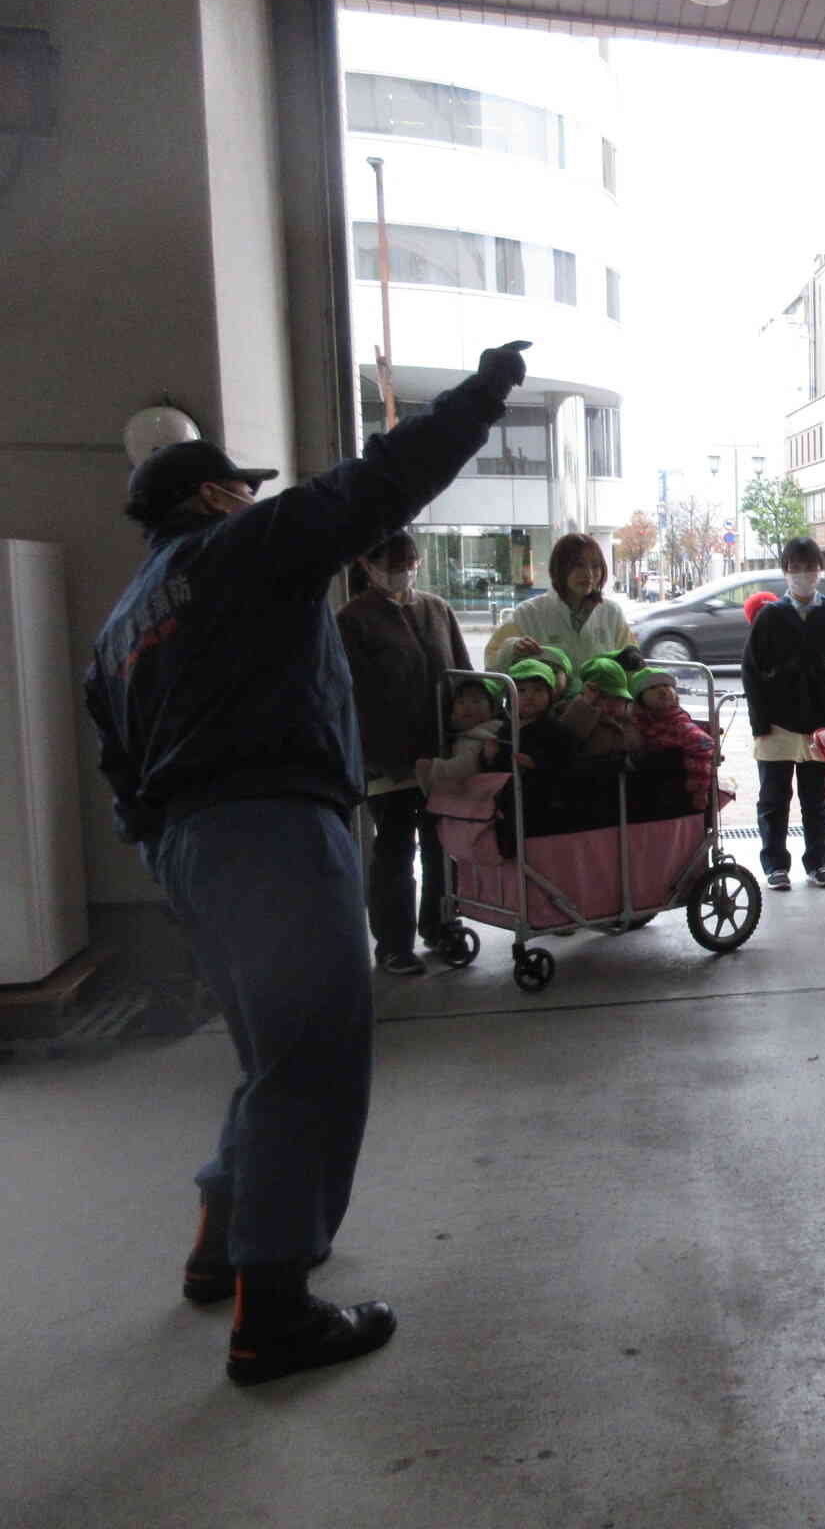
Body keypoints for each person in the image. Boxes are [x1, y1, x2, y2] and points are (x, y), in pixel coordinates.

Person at [84, 338, 530, 1385]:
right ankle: (272, 1313)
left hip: (197, 850)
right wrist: (479, 396)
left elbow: (119, 769)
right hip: (272, 831)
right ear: (208, 497)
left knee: (271, 1057)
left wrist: (175, 852)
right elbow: (376, 486)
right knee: (314, 1060)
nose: (253, 500)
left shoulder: (122, 623)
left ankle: (223, 1241)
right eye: (242, 488)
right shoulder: (230, 555)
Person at [336, 530, 472, 975]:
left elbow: (464, 677)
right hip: (387, 762)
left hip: (439, 756)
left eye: (411, 563)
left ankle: (440, 923)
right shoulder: (353, 620)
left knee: (442, 844)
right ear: (368, 567)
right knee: (395, 847)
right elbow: (349, 696)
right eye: (396, 565)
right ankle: (394, 944)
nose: (405, 572)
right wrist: (371, 758)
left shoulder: (437, 610)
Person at [742, 536, 825, 891]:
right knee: (773, 799)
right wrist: (759, 723)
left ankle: (819, 862)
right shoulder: (770, 617)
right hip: (776, 724)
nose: (803, 574)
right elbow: (752, 673)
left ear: (820, 570)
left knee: (816, 799)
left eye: (810, 567)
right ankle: (775, 864)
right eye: (796, 568)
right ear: (785, 571)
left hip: (820, 723)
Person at [484, 532, 636, 671]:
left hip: (601, 701)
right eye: (578, 565)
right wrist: (513, 649)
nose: (589, 574)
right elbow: (492, 660)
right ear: (560, 568)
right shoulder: (528, 613)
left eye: (595, 566)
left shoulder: (612, 613)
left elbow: (632, 667)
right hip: (548, 701)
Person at [626, 666, 715, 819]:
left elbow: (704, 744)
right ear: (640, 698)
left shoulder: (679, 723)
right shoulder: (639, 721)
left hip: (688, 784)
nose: (663, 691)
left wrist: (698, 789)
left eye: (667, 686)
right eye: (653, 688)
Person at [415, 675, 511, 793]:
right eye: (460, 702)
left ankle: (439, 772)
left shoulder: (496, 725)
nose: (467, 706)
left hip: (483, 769)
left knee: (471, 756)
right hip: (465, 782)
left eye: (476, 701)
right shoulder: (455, 733)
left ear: (492, 710)